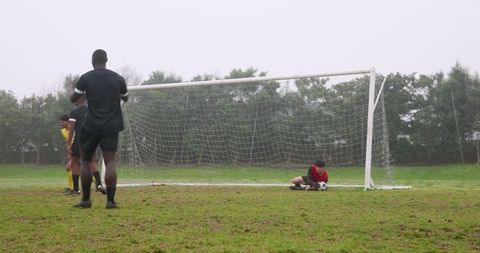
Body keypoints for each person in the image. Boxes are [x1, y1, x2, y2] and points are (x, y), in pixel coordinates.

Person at [70, 49, 128, 209]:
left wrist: (80, 91)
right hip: (111, 125)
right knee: (110, 161)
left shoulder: (86, 77)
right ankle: (110, 201)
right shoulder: (118, 78)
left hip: (91, 124)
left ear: (93, 61)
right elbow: (126, 97)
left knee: (85, 160)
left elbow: (73, 98)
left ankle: (86, 199)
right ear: (106, 60)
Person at [66, 95, 106, 195]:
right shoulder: (92, 111)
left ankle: (76, 189)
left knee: (75, 162)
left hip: (79, 140)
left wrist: (69, 143)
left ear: (79, 100)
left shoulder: (74, 112)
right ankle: (99, 185)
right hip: (90, 140)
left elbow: (71, 129)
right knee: (92, 162)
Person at [59, 114, 74, 194]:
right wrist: (69, 153)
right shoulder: (63, 131)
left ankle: (72, 188)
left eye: (62, 122)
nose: (60, 125)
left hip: (78, 150)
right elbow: (67, 142)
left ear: (68, 122)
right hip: (73, 151)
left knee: (69, 168)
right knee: (79, 169)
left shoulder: (74, 130)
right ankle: (97, 183)